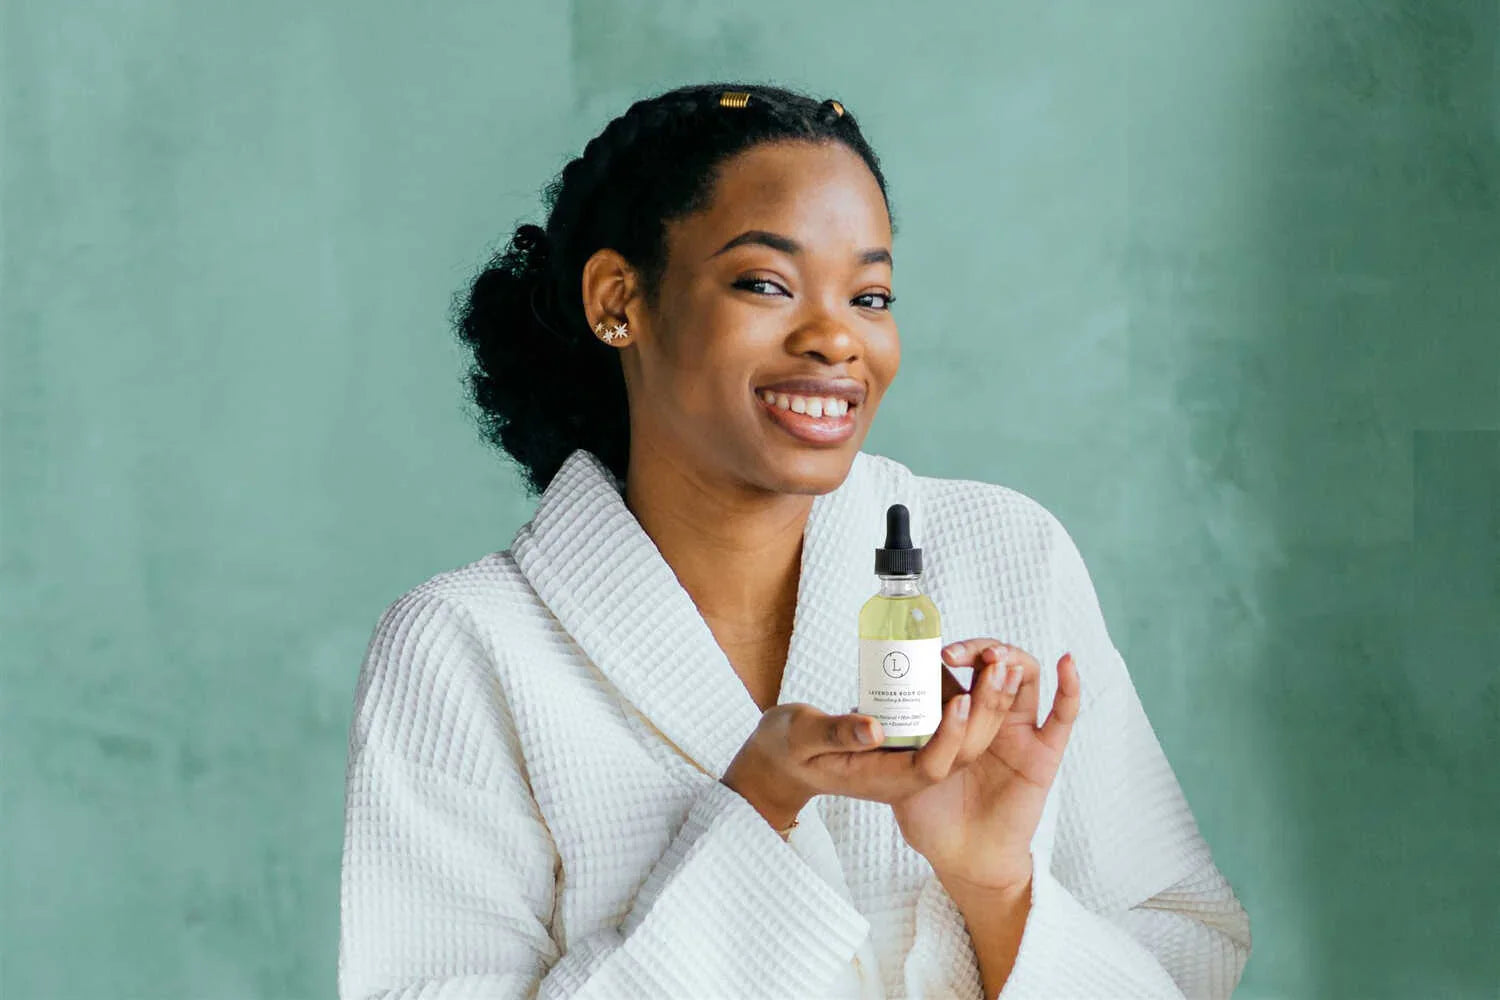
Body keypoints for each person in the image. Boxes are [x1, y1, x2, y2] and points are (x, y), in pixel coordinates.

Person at [336, 82, 1251, 999]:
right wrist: (757, 810)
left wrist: (994, 885)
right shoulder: (463, 649)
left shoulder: (1007, 554)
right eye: (765, 284)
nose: (835, 339)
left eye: (870, 294)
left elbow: (1189, 959)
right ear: (620, 299)